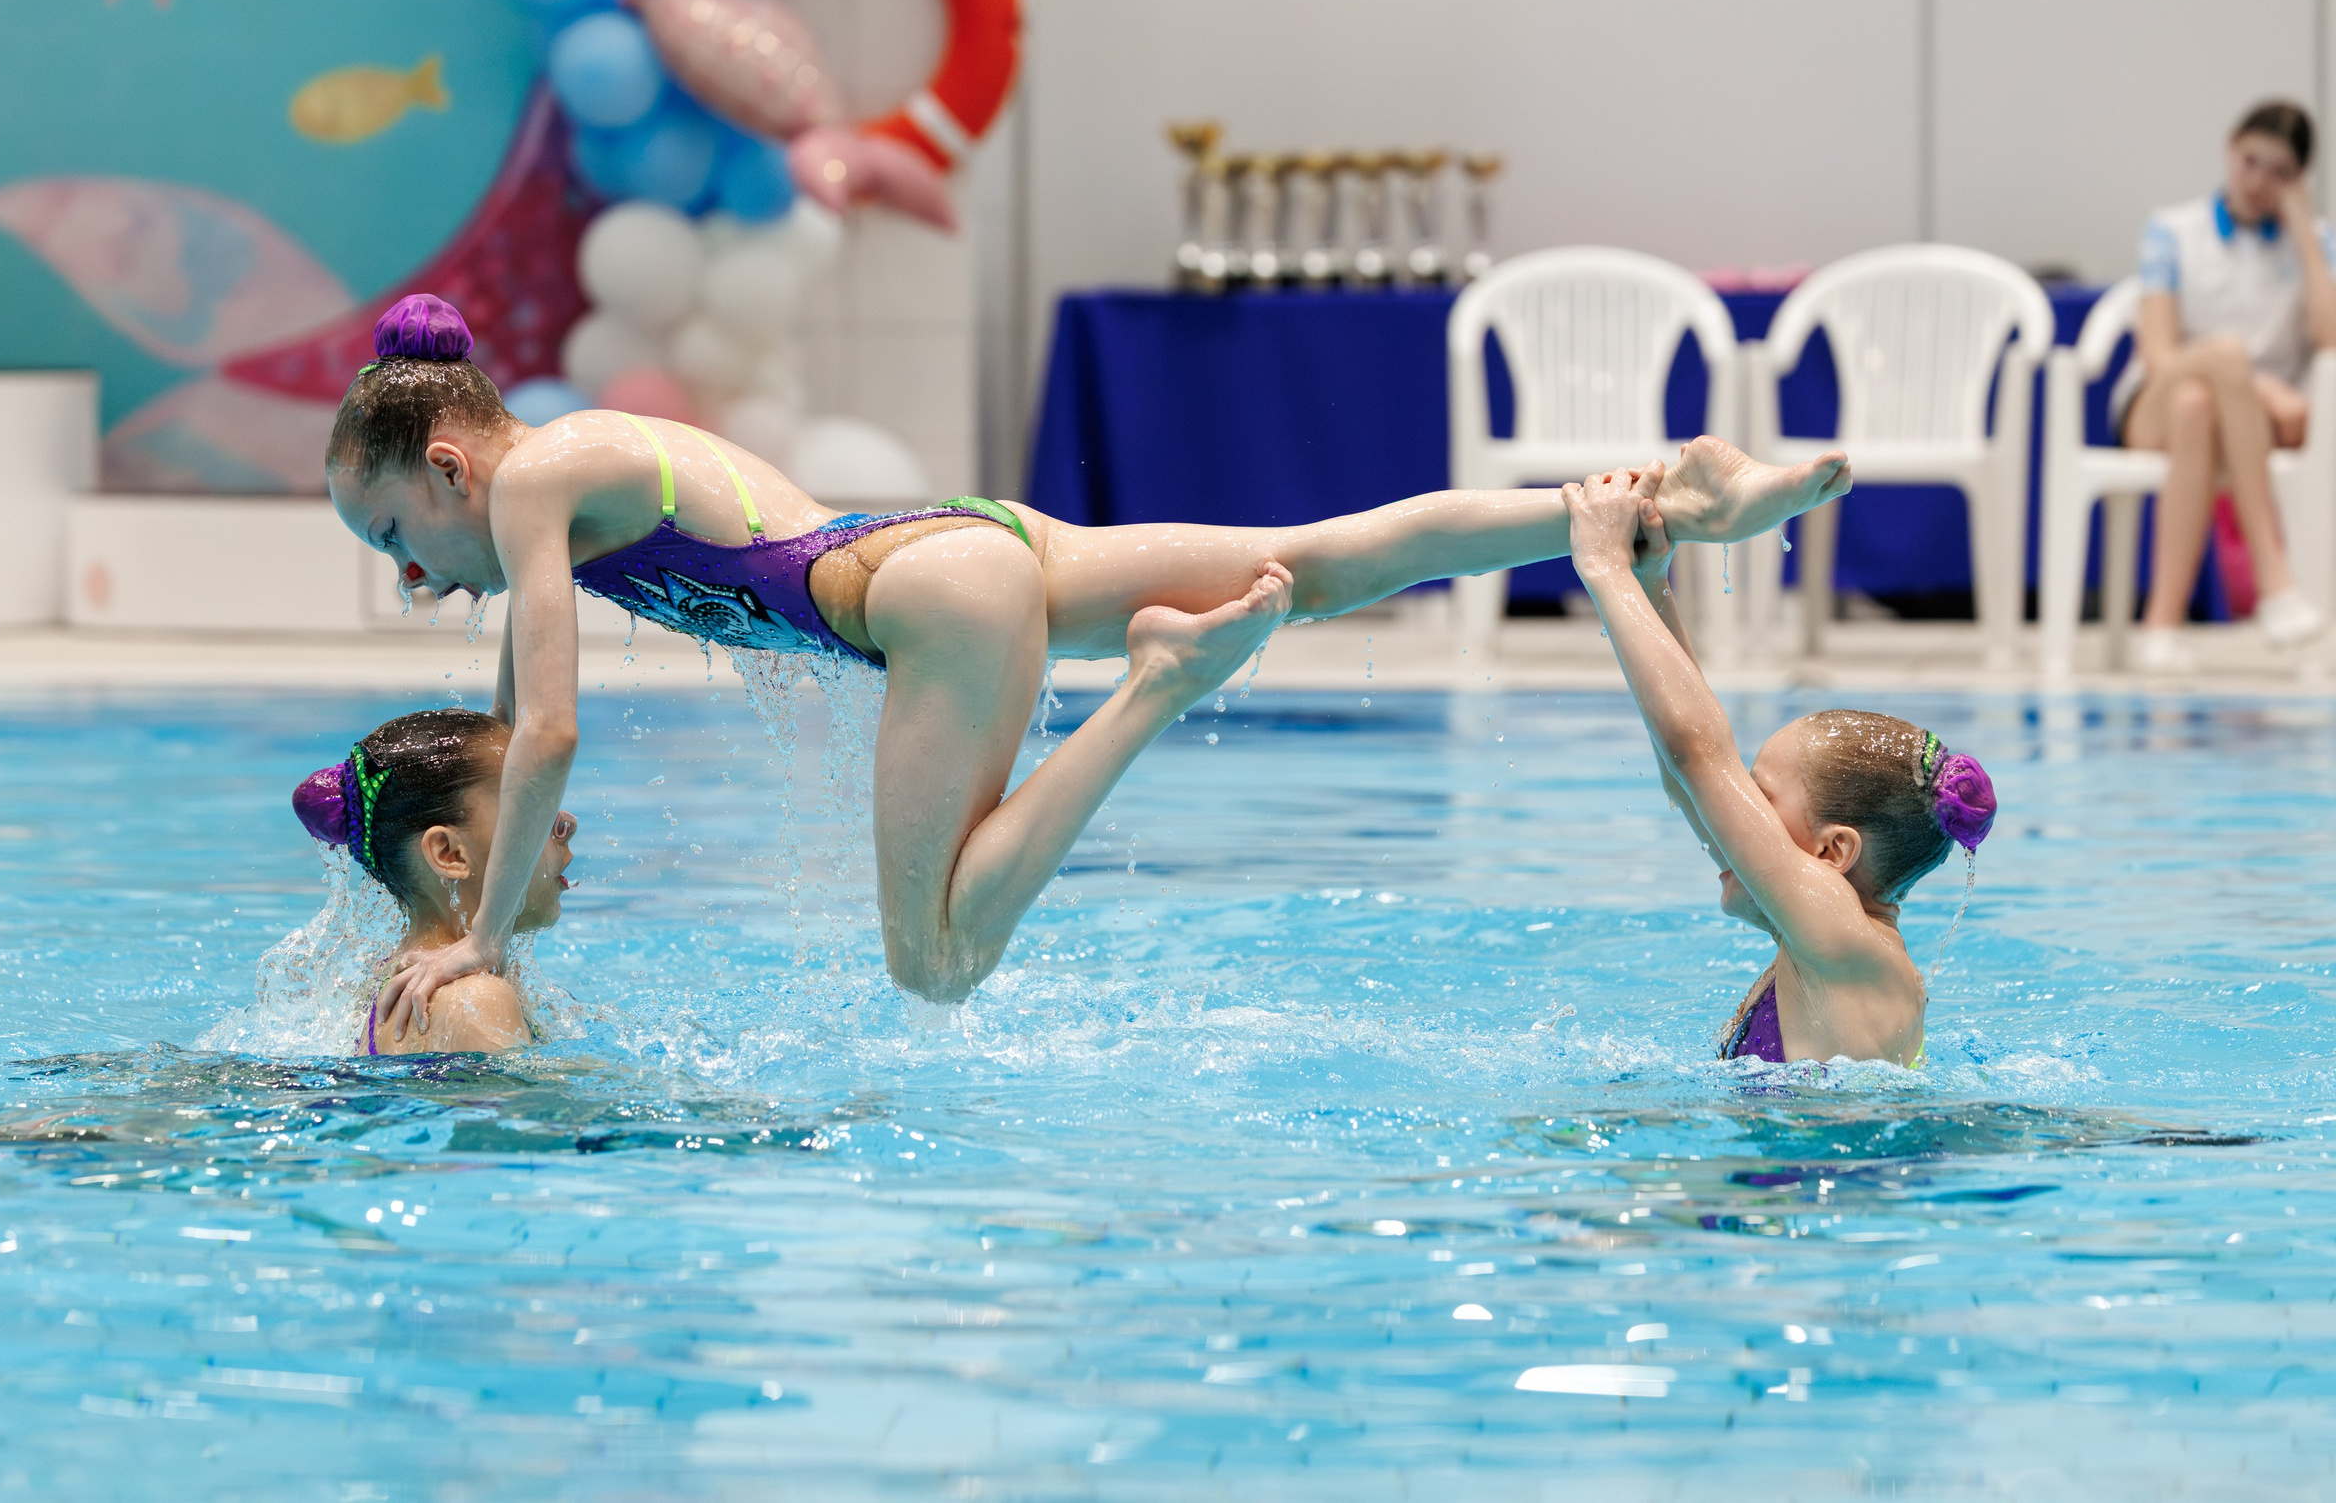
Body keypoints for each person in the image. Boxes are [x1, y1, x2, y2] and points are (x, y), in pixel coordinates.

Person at [327, 294, 1853, 1036]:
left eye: (390, 525)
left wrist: (486, 947)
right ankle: (1660, 498)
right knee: (1317, 557)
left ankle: (1157, 686)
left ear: (452, 465)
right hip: (954, 539)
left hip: (920, 596)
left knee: (932, 964)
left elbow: (550, 739)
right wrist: (459, 904)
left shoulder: (532, 484)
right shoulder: (581, 452)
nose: (405, 572)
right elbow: (517, 717)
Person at [1563, 468, 1994, 1066]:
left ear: (1832, 853)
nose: (1733, 798)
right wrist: (1649, 582)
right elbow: (1686, 776)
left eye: (1759, 794)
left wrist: (1604, 570)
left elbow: (1697, 757)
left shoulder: (1843, 940)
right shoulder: (1822, 946)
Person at [2112, 99, 2336, 673]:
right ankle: (2275, 580)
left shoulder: (2312, 242)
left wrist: (2307, 239)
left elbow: (2329, 337)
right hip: (2152, 404)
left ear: (2299, 181)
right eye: (2250, 161)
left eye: (2280, 172)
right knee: (2208, 374)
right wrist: (2260, 386)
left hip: (2231, 424)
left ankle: (2161, 624)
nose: (2259, 181)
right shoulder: (2172, 230)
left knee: (2198, 407)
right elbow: (2161, 357)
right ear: (2230, 149)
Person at [291, 707, 574, 1054]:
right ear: (449, 854)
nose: (566, 824)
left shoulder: (386, 982)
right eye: (526, 805)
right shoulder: (477, 999)